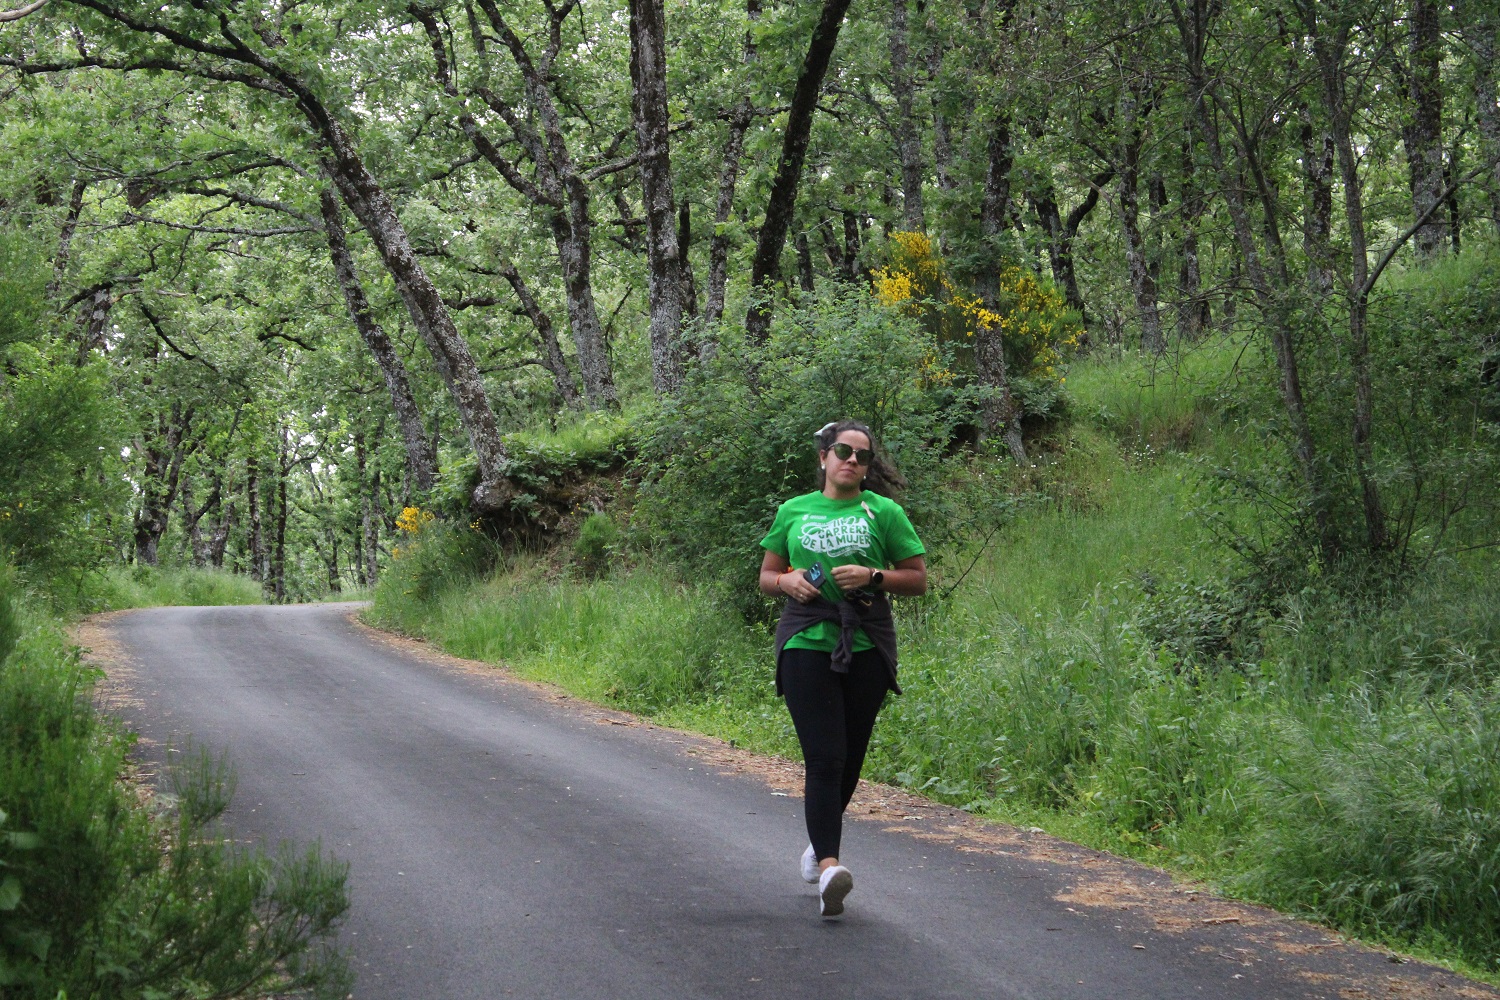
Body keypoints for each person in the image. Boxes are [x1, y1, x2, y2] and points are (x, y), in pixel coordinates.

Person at [757, 419, 928, 918]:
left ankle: (818, 845)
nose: (852, 460)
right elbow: (767, 575)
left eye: (862, 455)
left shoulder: (885, 512)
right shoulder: (793, 510)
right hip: (806, 639)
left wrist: (874, 575)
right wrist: (786, 583)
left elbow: (917, 579)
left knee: (850, 757)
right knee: (825, 758)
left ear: (868, 467)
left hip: (867, 641)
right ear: (824, 457)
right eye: (843, 451)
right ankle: (831, 868)